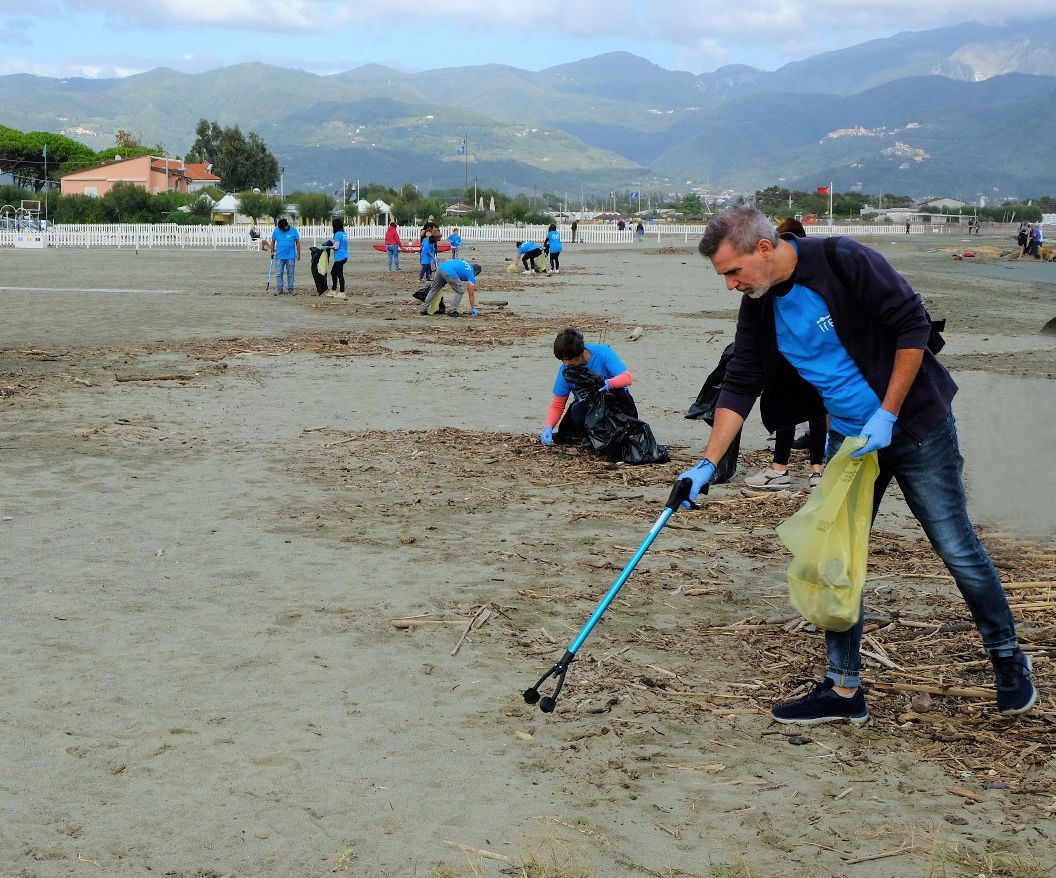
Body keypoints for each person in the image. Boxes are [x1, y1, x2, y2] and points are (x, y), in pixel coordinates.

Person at [678, 205, 1036, 724]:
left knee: (956, 547)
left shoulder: (842, 260)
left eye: (733, 272)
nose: (730, 285)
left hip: (914, 426)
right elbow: (742, 379)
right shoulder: (758, 304)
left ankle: (1008, 659)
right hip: (849, 442)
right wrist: (706, 465)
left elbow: (912, 328)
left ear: (763, 248)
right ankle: (845, 690)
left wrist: (888, 414)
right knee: (836, 560)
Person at [744, 217, 827, 490]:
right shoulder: (814, 271)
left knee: (785, 410)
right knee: (817, 411)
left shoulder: (778, 277)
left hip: (789, 357)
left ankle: (780, 468)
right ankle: (817, 471)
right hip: (816, 357)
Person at [539, 328, 636, 447]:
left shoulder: (603, 352)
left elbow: (627, 378)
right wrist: (548, 427)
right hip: (588, 404)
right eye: (563, 360)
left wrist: (608, 384)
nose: (566, 364)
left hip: (616, 400)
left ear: (579, 355)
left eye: (568, 360)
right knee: (577, 416)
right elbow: (558, 404)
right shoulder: (565, 371)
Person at [270, 217, 301, 295]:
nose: (282, 230)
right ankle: (280, 289)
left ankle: (291, 288)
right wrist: (272, 251)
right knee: (279, 273)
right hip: (279, 256)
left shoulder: (293, 230)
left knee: (290, 273)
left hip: (290, 256)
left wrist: (298, 253)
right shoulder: (276, 230)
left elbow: (297, 241)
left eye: (283, 229)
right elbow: (273, 241)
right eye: (281, 229)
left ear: (287, 225)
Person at [330, 217, 348, 293]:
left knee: (339, 274)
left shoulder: (337, 234)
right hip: (344, 256)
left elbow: (336, 247)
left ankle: (341, 292)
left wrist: (327, 247)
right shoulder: (344, 234)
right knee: (334, 272)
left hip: (339, 257)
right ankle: (334, 289)